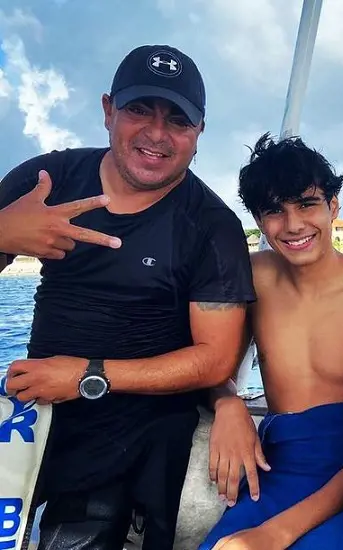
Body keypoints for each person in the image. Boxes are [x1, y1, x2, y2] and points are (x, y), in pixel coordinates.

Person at [0, 44, 256, 549]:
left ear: (199, 132)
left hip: (134, 419)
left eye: (178, 120)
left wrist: (86, 376)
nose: (157, 134)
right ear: (107, 110)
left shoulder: (211, 227)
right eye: (140, 109)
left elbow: (215, 359)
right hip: (34, 403)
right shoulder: (47, 180)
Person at [199, 134, 343, 550]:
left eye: (307, 204)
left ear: (333, 207)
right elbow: (215, 365)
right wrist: (227, 402)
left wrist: (278, 533)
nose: (293, 225)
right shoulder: (252, 278)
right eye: (274, 210)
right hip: (275, 466)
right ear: (259, 220)